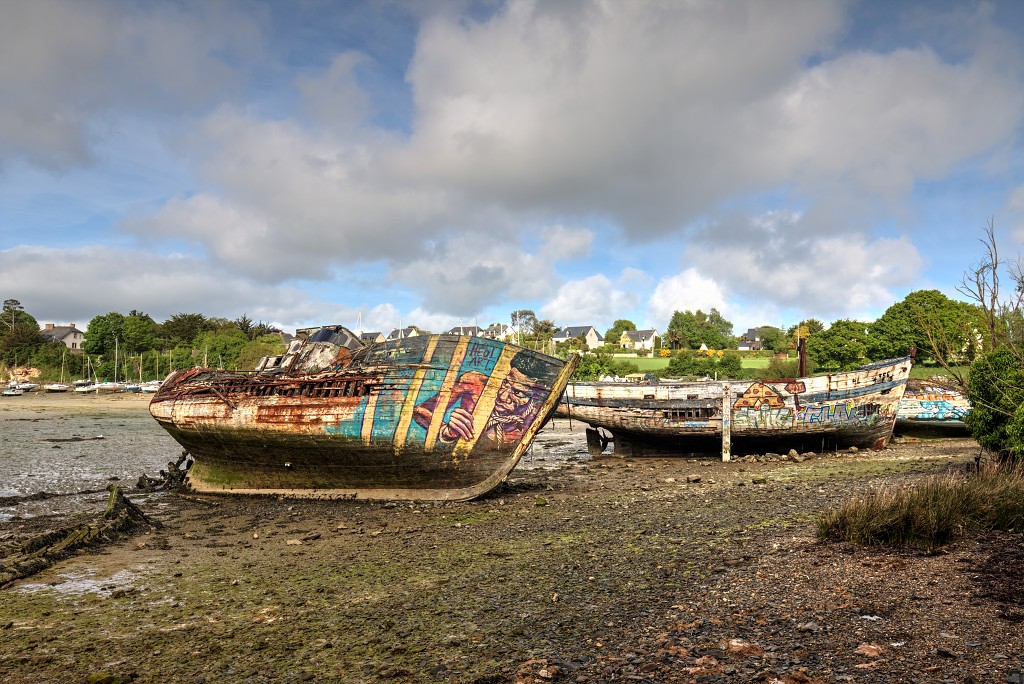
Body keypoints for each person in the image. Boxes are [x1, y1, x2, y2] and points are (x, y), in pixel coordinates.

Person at [413, 351, 551, 447]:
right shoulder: (474, 384)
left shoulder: (537, 406)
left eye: (519, 393)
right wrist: (445, 430)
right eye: (506, 383)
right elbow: (420, 410)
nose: (503, 396)